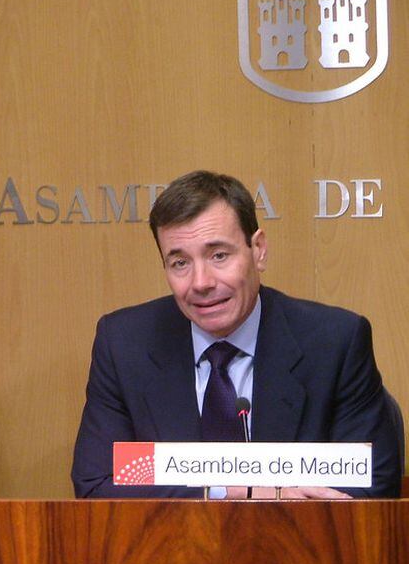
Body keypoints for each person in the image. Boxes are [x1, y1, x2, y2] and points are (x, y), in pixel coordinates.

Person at [72, 170, 402, 499]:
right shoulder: (124, 343)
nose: (201, 282)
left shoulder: (335, 341)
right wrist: (238, 492)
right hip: (169, 548)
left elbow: (371, 485)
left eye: (219, 255)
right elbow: (97, 484)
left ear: (258, 250)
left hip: (299, 547)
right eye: (180, 263)